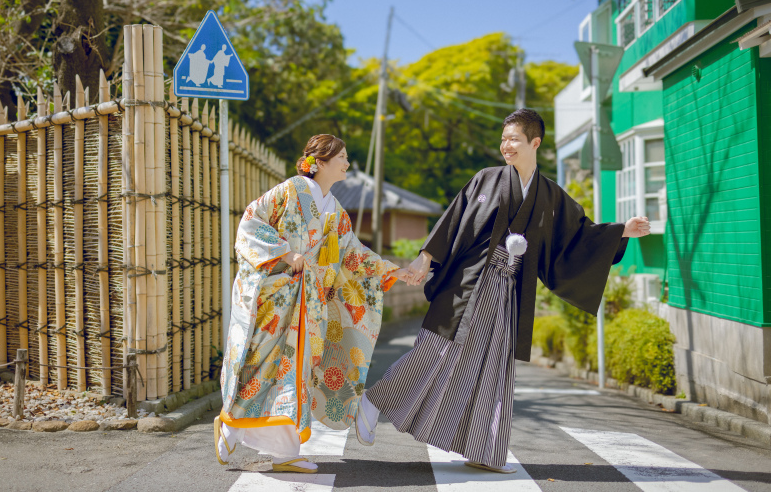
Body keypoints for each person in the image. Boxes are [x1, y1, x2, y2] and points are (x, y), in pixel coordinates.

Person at [356, 109, 650, 473]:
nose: (505, 145)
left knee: (492, 365)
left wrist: (620, 231)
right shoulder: (487, 179)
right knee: (437, 351)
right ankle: (374, 400)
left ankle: (482, 448)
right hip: (470, 282)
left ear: (535, 143)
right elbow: (455, 221)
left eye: (513, 139)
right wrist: (424, 260)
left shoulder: (551, 195)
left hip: (511, 289)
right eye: (503, 138)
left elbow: (578, 235)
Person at [215, 134, 414, 473]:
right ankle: (232, 423)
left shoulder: (335, 210)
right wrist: (285, 253)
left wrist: (394, 270)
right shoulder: (289, 191)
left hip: (311, 303)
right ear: (320, 162)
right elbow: (251, 222)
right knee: (261, 364)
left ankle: (284, 452)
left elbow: (352, 252)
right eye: (342, 158)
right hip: (277, 297)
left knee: (296, 373)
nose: (348, 164)